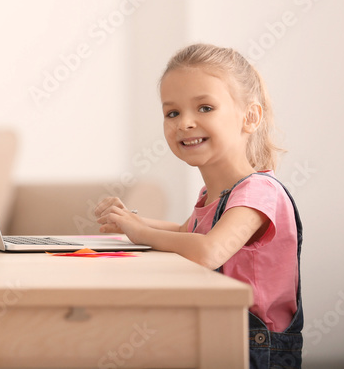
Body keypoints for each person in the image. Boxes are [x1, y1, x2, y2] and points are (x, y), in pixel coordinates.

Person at [95, 43, 302, 369]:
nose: (185, 123)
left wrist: (139, 232)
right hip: (218, 329)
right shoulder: (213, 194)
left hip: (253, 348)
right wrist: (131, 222)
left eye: (204, 108)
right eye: (172, 113)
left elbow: (208, 251)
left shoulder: (259, 192)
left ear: (250, 117)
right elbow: (185, 232)